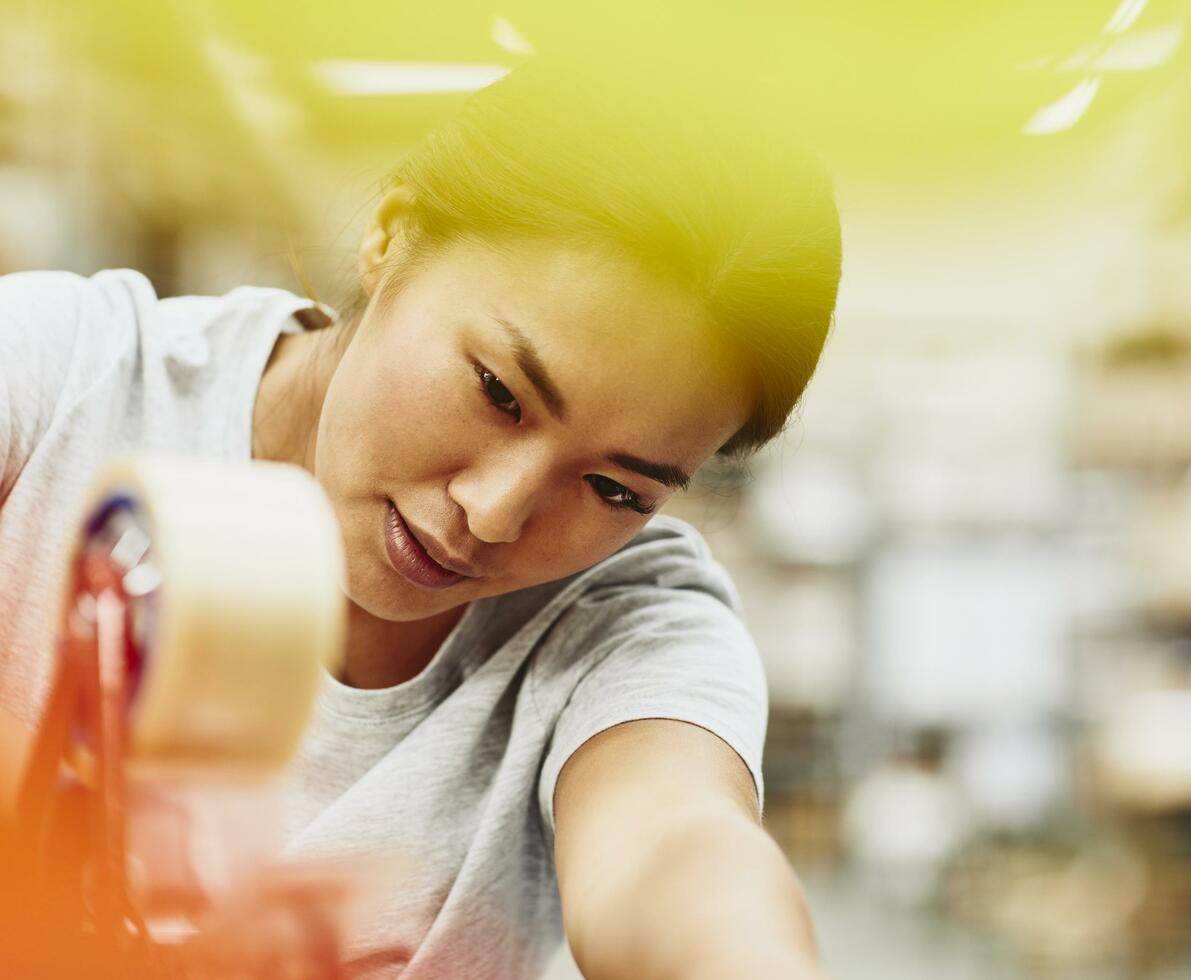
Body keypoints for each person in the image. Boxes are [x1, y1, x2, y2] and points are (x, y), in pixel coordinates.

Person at [0, 57, 841, 979]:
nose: (492, 513)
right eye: (498, 392)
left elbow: (670, 846)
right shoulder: (59, 378)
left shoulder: (619, 630)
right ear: (390, 236)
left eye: (615, 491)